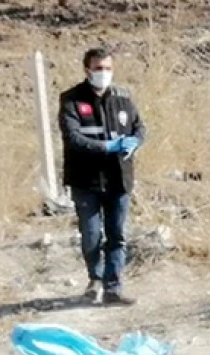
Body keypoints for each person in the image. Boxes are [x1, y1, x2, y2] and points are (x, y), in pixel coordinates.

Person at [58, 47, 146, 306]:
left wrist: (135, 141)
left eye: (108, 68)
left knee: (117, 234)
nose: (104, 73)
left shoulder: (123, 97)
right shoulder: (72, 100)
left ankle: (113, 287)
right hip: (86, 180)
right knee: (92, 234)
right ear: (87, 70)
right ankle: (94, 279)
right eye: (98, 68)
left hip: (119, 178)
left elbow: (139, 126)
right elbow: (73, 137)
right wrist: (105, 147)